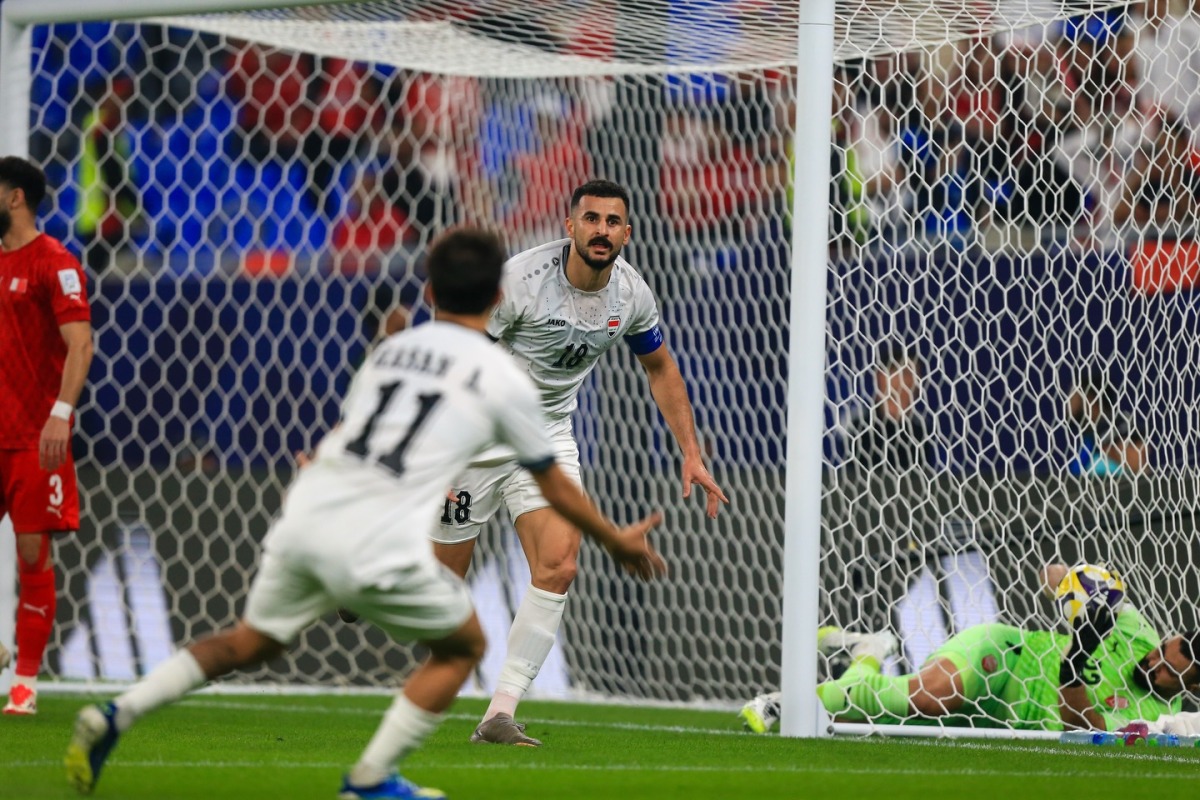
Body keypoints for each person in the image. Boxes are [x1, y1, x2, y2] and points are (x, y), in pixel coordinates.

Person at [65, 229, 667, 799]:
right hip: (378, 529)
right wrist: (614, 539)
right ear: (496, 297)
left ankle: (116, 713)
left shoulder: (395, 348)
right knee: (462, 646)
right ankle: (371, 775)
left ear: (430, 290)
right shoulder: (500, 376)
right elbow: (554, 486)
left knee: (247, 642)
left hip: (311, 508)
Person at [432, 179, 727, 746]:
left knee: (560, 565)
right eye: (591, 219)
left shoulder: (633, 294)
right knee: (439, 593)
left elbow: (660, 368)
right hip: (480, 429)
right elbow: (461, 360)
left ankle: (500, 712)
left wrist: (691, 452)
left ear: (627, 233)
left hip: (546, 438)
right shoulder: (519, 281)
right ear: (569, 226)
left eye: (613, 222)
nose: (601, 230)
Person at [740, 563, 1200, 734]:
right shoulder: (1136, 628)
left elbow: (1083, 727)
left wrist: (1077, 660)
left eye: (1165, 670)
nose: (1152, 661)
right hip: (1003, 658)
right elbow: (1051, 572)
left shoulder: (1157, 720)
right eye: (1160, 650)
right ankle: (783, 702)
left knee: (860, 720)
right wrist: (1078, 589)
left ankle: (868, 651)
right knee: (922, 696)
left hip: (1005, 721)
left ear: (1189, 685)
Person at [0, 156, 94, 716]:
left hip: (36, 437)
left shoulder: (54, 262)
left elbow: (79, 343)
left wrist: (61, 412)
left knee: (33, 554)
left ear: (15, 198)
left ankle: (26, 682)